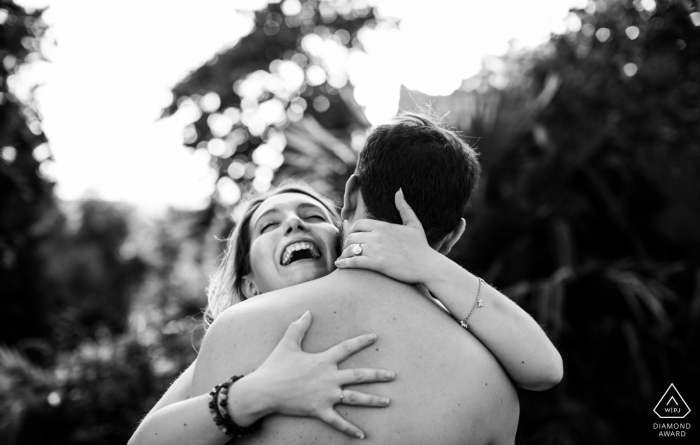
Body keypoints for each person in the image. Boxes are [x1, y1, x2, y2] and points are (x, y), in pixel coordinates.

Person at [185, 112, 562, 445]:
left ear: (349, 198)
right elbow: (547, 371)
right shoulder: (493, 385)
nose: (295, 224)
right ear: (453, 236)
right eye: (269, 224)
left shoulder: (235, 334)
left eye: (314, 216)